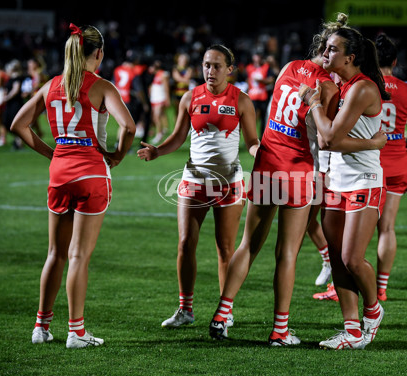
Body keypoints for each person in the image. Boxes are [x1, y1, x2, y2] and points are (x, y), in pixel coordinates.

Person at [208, 14, 387, 347]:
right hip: (299, 170)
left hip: (267, 162)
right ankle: (279, 330)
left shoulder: (289, 67)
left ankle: (222, 312)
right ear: (329, 53)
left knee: (248, 244)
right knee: (287, 253)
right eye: (330, 49)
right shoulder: (330, 86)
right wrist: (369, 139)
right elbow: (328, 136)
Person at [10, 23, 135, 348]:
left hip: (60, 173)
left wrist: (53, 153)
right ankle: (76, 332)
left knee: (55, 253)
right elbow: (129, 126)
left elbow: (18, 124)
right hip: (91, 172)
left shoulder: (52, 85)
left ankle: (41, 326)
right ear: (99, 53)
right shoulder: (102, 86)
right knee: (79, 255)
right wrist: (117, 156)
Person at [137, 45, 259, 329]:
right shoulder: (190, 97)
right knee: (184, 244)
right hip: (193, 181)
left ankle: (224, 311)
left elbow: (252, 141)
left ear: (230, 69)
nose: (210, 71)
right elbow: (179, 136)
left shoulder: (241, 100)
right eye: (206, 64)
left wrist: (259, 152)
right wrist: (158, 151)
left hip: (228, 183)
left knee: (225, 249)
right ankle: (185, 309)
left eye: (217, 66)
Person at [298, 23, 389, 350]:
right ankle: (351, 331)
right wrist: (370, 141)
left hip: (363, 180)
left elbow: (331, 138)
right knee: (336, 257)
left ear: (351, 57)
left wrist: (315, 105)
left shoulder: (362, 88)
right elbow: (325, 141)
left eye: (333, 49)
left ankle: (373, 309)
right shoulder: (338, 83)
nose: (326, 53)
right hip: (335, 179)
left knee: (352, 258)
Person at [373, 34, 407, 302]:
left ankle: (340, 287)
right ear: (395, 61)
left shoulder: (364, 86)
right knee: (387, 228)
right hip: (397, 165)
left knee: (354, 230)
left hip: (369, 166)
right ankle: (381, 288)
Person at [245, 52, 276, 138]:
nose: (257, 58)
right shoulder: (249, 68)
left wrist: (261, 81)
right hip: (252, 96)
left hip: (263, 96)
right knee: (252, 118)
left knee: (263, 119)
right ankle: (250, 137)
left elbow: (271, 80)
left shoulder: (266, 67)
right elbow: (248, 81)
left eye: (259, 56)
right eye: (256, 56)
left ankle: (262, 138)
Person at [149, 59, 171, 143]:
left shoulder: (163, 75)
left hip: (160, 98)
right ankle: (160, 131)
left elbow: (166, 87)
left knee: (157, 116)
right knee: (156, 116)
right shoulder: (155, 75)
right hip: (154, 98)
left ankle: (159, 134)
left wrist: (167, 98)